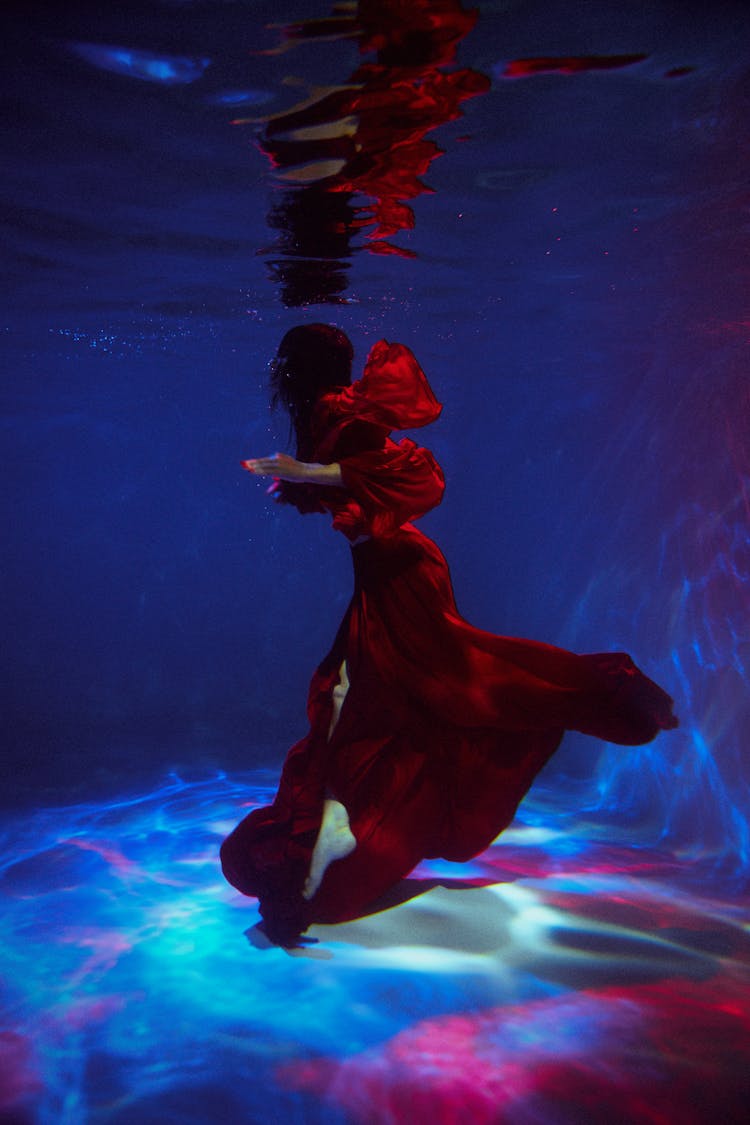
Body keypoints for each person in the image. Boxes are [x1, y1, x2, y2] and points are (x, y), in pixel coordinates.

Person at [220, 324, 678, 945]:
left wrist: (306, 472)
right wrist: (301, 484)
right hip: (386, 570)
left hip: (399, 572)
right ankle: (349, 816)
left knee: (450, 682)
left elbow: (412, 480)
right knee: (390, 692)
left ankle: (606, 687)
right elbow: (353, 478)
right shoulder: (327, 411)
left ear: (295, 366)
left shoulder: (332, 406)